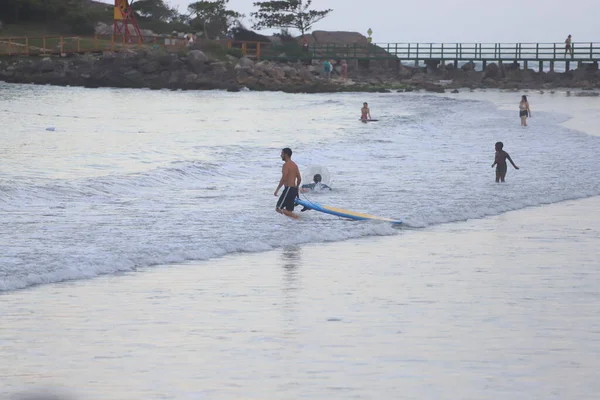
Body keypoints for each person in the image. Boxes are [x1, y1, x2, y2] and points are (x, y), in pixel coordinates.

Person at [274, 148, 302, 219]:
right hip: (293, 189)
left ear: (286, 154)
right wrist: (297, 187)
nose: (281, 155)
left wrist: (277, 190)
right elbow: (299, 178)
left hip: (288, 189)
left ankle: (298, 219)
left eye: (282, 153)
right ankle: (296, 223)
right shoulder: (294, 165)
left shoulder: (286, 165)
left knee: (278, 208)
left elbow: (284, 178)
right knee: (289, 211)